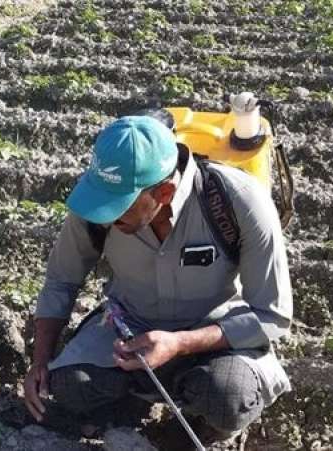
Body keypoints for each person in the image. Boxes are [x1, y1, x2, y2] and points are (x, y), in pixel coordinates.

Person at [23, 116, 293, 446]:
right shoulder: (100, 201)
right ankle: (127, 410)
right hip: (129, 332)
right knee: (69, 385)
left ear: (164, 192)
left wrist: (180, 343)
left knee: (228, 396)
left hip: (215, 337)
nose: (106, 215)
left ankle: (188, 434)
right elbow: (61, 281)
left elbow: (273, 315)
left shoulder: (238, 202)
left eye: (119, 209)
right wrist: (40, 361)